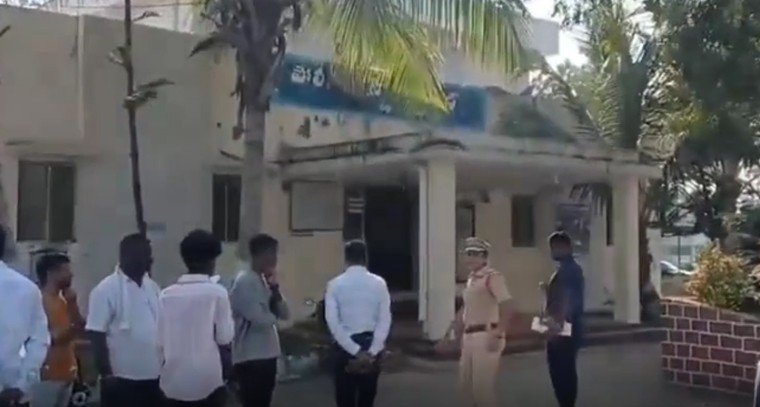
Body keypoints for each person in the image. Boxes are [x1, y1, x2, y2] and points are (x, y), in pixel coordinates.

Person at [159, 230, 234, 407]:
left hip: (173, 384)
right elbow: (225, 338)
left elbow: (159, 342)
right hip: (209, 383)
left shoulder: (165, 295)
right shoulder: (218, 293)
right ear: (212, 261)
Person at [85, 233, 162, 407]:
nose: (150, 260)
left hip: (154, 378)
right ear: (126, 257)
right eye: (144, 255)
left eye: (150, 255)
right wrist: (106, 373)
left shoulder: (152, 287)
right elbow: (96, 334)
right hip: (120, 380)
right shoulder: (105, 289)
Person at [324, 240, 391, 407]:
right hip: (370, 345)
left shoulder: (334, 285)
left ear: (346, 258)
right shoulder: (379, 283)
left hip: (344, 348)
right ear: (365, 258)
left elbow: (333, 322)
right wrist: (372, 351)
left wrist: (354, 350)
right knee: (367, 400)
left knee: (345, 399)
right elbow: (385, 319)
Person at [453, 237, 514, 407]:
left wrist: (498, 332)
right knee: (466, 387)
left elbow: (507, 305)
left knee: (482, 389)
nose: (470, 258)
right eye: (468, 254)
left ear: (484, 257)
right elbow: (466, 307)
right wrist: (455, 330)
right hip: (469, 335)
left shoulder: (492, 277)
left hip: (486, 333)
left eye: (475, 254)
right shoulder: (471, 279)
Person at [230, 234, 289, 407]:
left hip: (267, 354)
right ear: (259, 255)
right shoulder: (245, 282)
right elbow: (259, 320)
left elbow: (285, 313)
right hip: (250, 358)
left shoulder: (265, 281)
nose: (275, 259)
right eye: (271, 253)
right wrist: (274, 315)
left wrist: (275, 290)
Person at [0, 228, 50, 407]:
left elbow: (38, 340)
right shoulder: (27, 288)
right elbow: (39, 341)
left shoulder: (26, 289)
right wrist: (21, 385)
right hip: (14, 394)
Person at [32, 253, 85, 407]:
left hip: (67, 373)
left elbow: (80, 326)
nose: (71, 274)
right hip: (47, 375)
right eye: (65, 270)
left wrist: (73, 304)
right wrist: (74, 329)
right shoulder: (40, 301)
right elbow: (51, 338)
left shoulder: (64, 300)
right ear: (51, 273)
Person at [542, 231, 585, 407]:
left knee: (562, 371)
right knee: (562, 370)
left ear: (565, 247)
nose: (552, 251)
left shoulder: (569, 270)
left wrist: (556, 328)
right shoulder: (565, 269)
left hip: (564, 329)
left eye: (554, 247)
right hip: (564, 327)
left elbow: (568, 300)